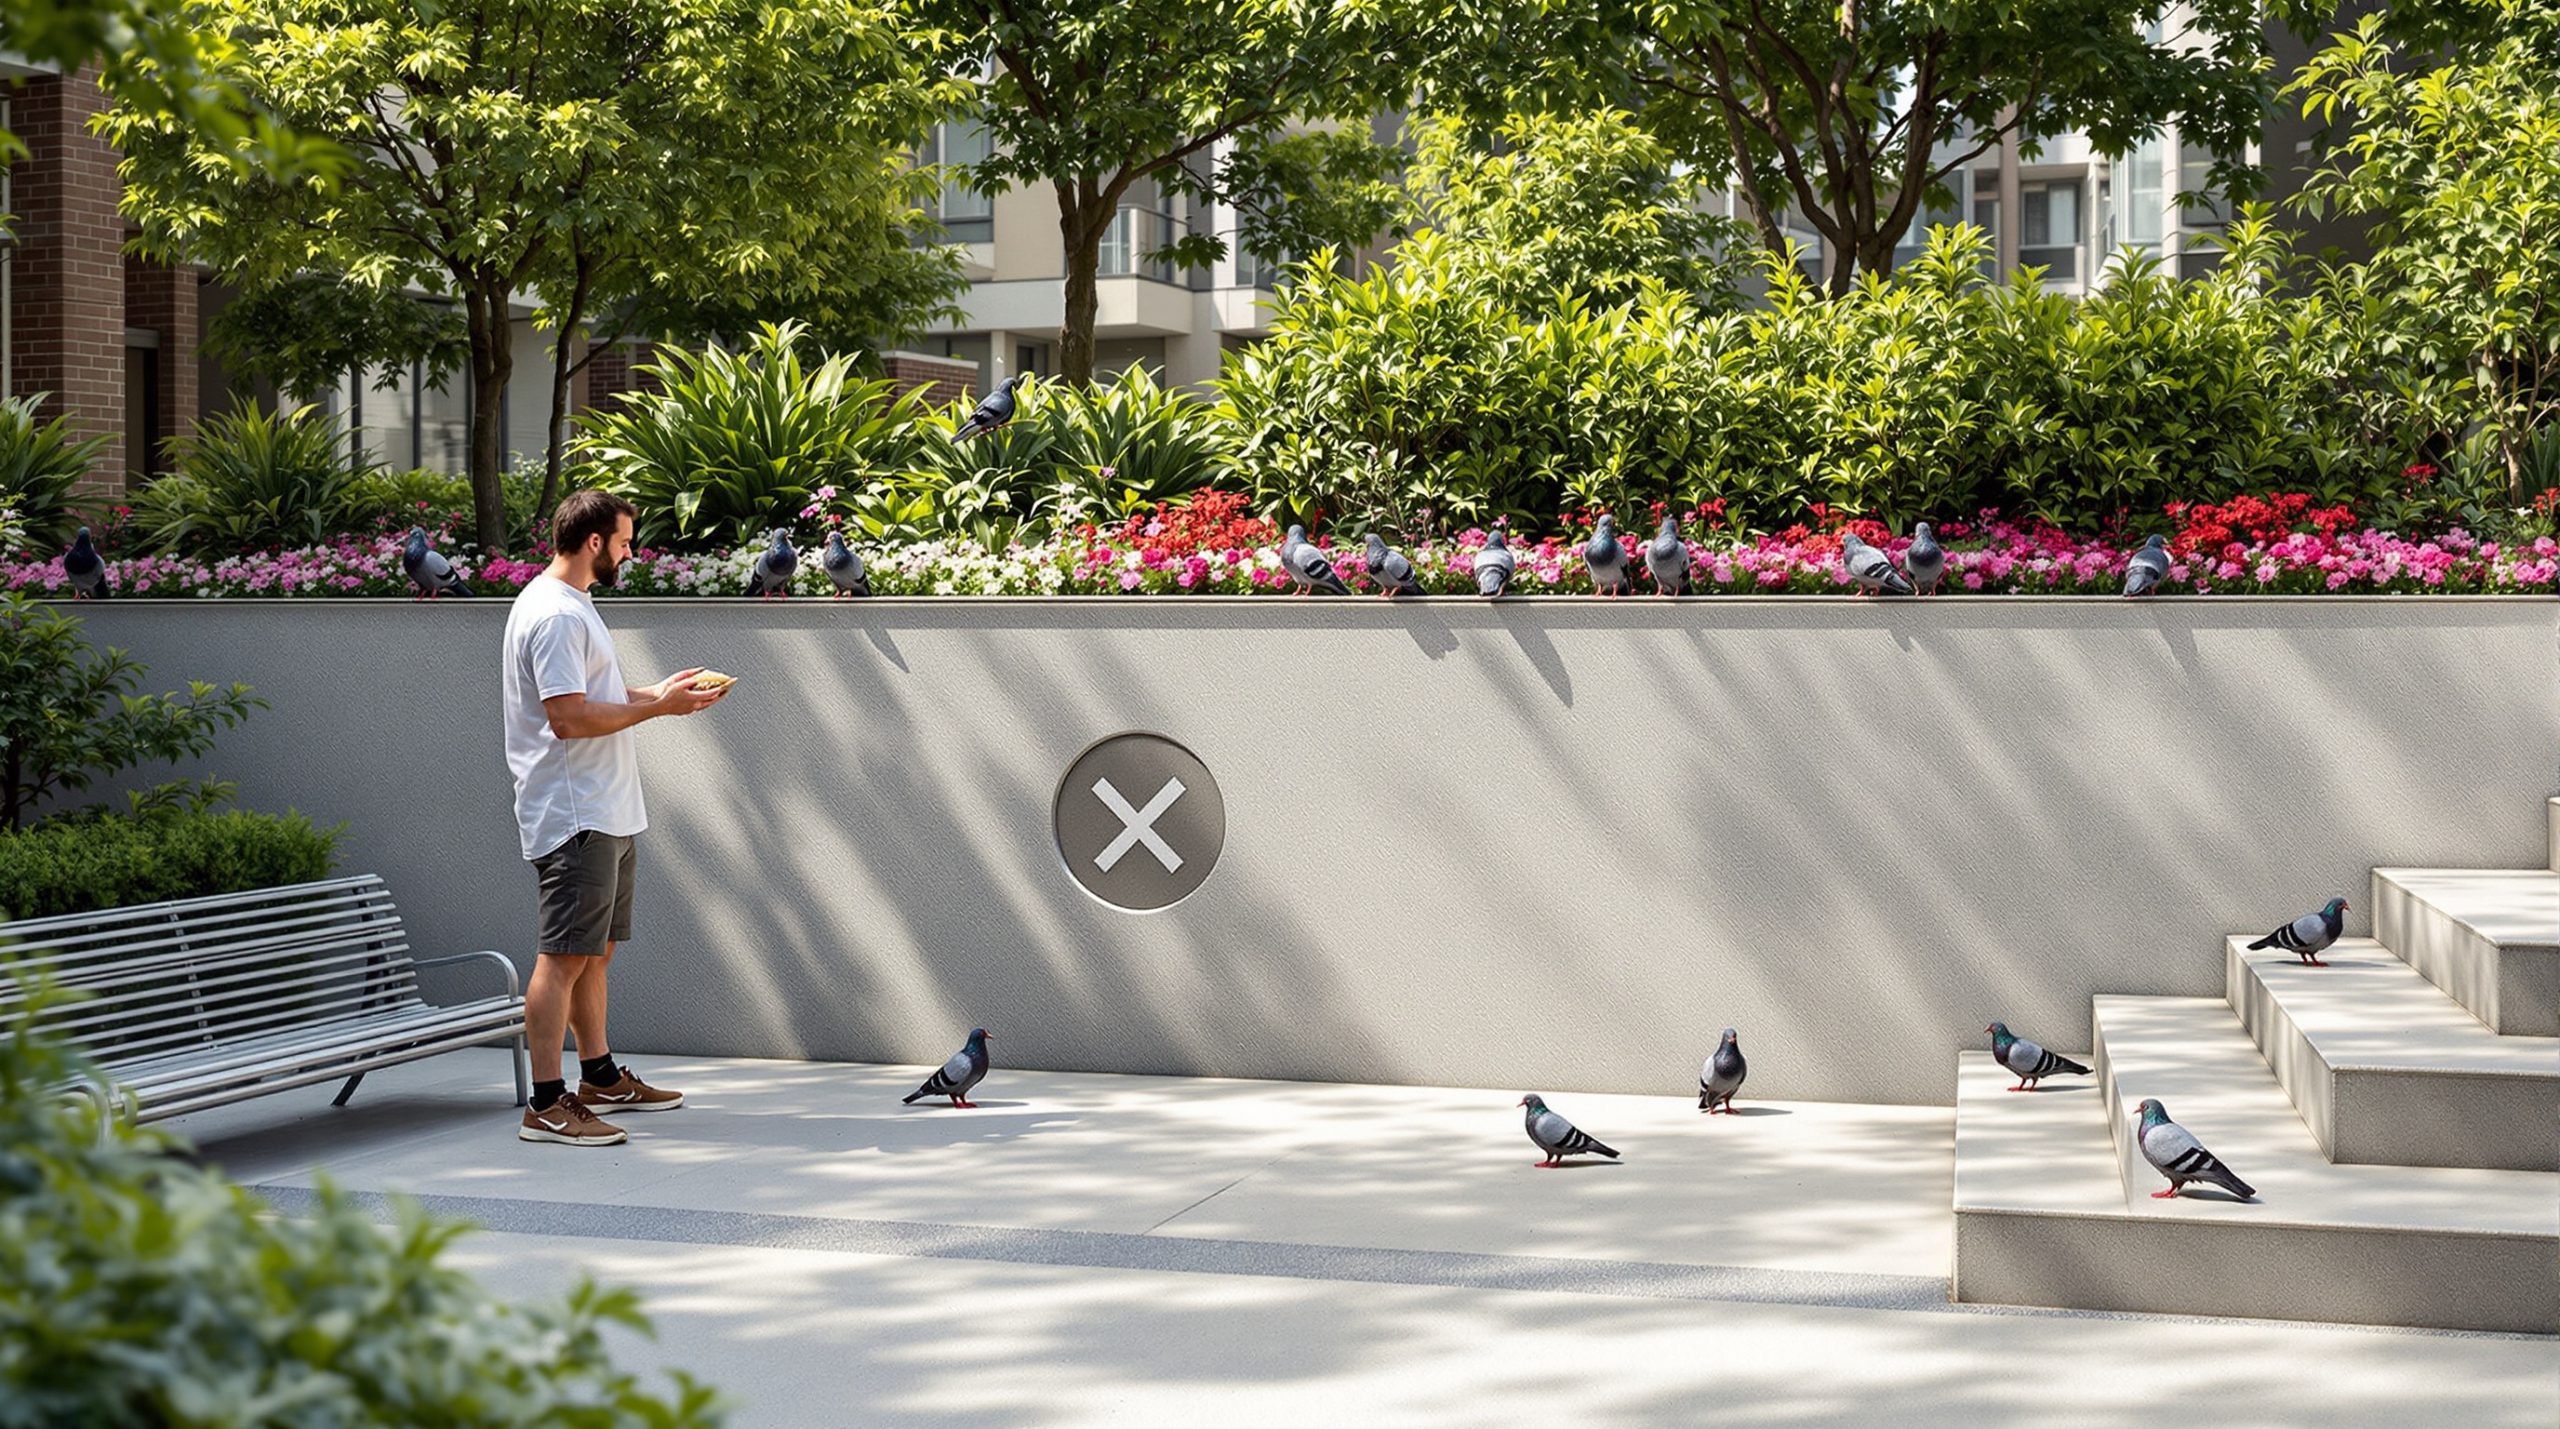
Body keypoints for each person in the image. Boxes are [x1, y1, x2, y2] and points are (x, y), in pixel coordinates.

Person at [501, 490, 728, 1145]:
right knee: (562, 957)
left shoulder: (575, 607)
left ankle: (599, 1075)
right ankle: (547, 1103)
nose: (633, 551)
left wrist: (659, 692)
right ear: (595, 541)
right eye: (626, 540)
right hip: (576, 813)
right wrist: (659, 711)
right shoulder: (553, 615)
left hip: (606, 807)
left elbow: (591, 695)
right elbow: (568, 717)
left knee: (594, 953)